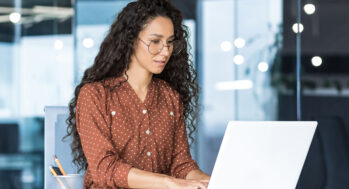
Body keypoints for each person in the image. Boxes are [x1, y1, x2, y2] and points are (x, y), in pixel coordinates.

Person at [65, 0, 210, 188]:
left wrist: (207, 181)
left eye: (170, 42)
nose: (165, 51)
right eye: (155, 42)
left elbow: (181, 164)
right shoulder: (95, 95)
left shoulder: (170, 97)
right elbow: (104, 169)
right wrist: (168, 182)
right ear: (131, 40)